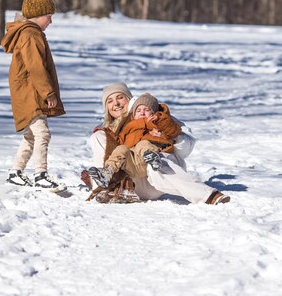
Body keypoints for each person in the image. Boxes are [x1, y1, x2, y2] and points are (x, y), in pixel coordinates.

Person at [86, 82, 230, 205]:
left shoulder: (155, 116)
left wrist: (171, 136)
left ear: (129, 100)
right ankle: (105, 185)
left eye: (120, 97)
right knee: (101, 138)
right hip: (136, 178)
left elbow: (187, 146)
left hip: (160, 175)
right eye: (109, 101)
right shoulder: (110, 130)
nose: (115, 104)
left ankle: (208, 196)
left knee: (154, 159)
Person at [1, 0, 66, 191]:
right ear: (39, 14)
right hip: (30, 93)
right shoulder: (30, 34)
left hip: (28, 92)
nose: (51, 21)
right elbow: (36, 67)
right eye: (49, 16)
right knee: (42, 134)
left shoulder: (29, 33)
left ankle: (15, 172)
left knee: (31, 135)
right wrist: (48, 93)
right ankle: (41, 175)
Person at [87, 92, 182, 187]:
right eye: (138, 110)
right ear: (134, 114)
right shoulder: (130, 127)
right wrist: (107, 132)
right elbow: (120, 140)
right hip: (132, 165)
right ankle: (107, 172)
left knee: (143, 143)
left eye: (147, 110)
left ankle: (152, 158)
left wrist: (161, 117)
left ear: (153, 113)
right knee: (121, 149)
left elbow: (173, 130)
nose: (142, 112)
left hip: (148, 164)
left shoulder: (155, 124)